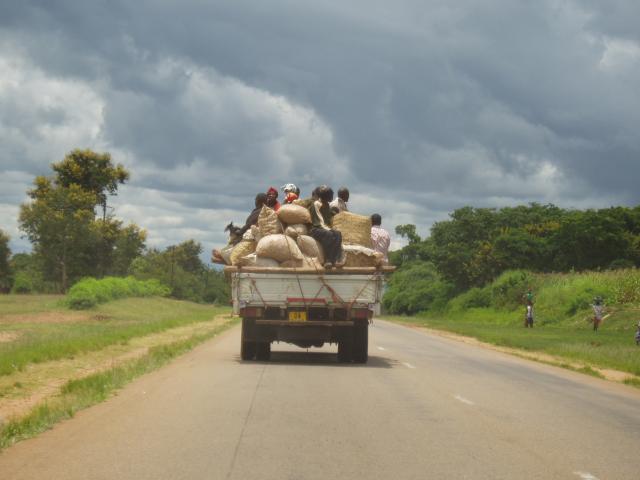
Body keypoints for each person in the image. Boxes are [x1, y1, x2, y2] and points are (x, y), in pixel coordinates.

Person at [308, 186, 343, 269]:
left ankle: (336, 259)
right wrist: (329, 229)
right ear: (326, 195)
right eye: (331, 195)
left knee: (338, 234)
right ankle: (328, 260)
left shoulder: (326, 205)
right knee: (329, 235)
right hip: (316, 228)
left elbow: (328, 215)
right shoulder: (316, 204)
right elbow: (319, 220)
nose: (332, 197)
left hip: (323, 227)